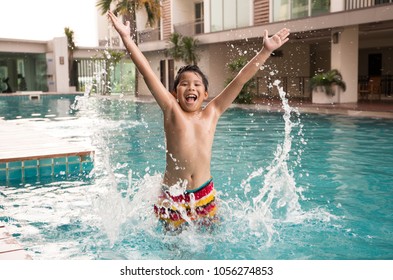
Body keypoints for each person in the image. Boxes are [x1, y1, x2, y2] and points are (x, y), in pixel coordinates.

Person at [108, 11, 290, 230]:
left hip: (205, 194)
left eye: (197, 84)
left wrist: (265, 51)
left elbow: (239, 80)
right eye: (184, 84)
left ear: (205, 94)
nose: (191, 87)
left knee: (211, 240)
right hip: (173, 197)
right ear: (174, 93)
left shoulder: (212, 112)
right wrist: (127, 39)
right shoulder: (171, 110)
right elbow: (147, 73)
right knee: (175, 251)